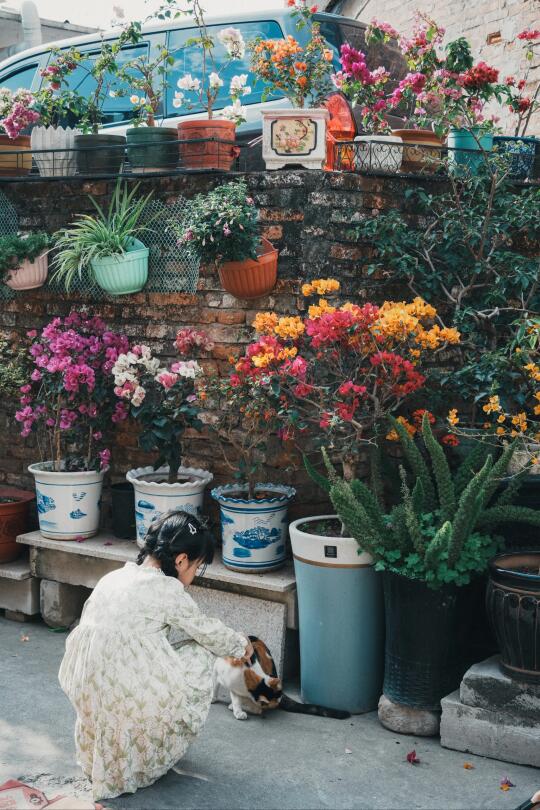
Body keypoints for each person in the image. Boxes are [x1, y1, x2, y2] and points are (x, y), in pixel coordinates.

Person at [59, 510, 252, 801]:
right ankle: (149, 751)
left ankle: (106, 753)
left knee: (142, 654)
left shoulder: (114, 577)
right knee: (200, 650)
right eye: (197, 568)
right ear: (181, 560)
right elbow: (208, 632)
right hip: (122, 695)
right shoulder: (166, 590)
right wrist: (241, 644)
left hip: (85, 688)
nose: (194, 577)